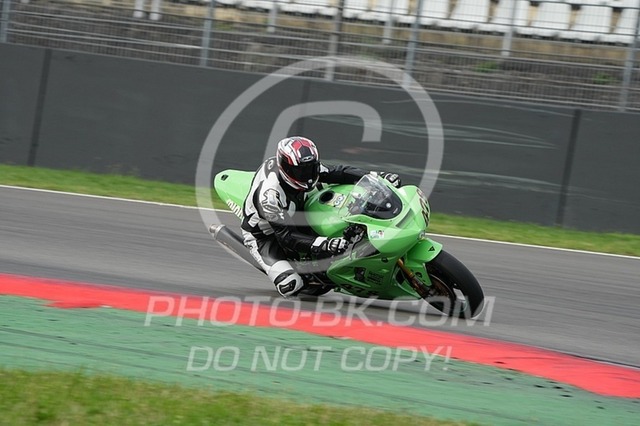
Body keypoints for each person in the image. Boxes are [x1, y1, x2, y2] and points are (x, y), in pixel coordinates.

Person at [241, 136, 401, 298]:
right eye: (301, 171)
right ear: (286, 169)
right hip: (265, 235)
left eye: (311, 168)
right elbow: (286, 237)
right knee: (291, 285)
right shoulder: (270, 197)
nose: (307, 176)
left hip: (297, 206)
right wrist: (325, 244)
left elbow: (339, 172)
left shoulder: (309, 171)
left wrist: (378, 178)